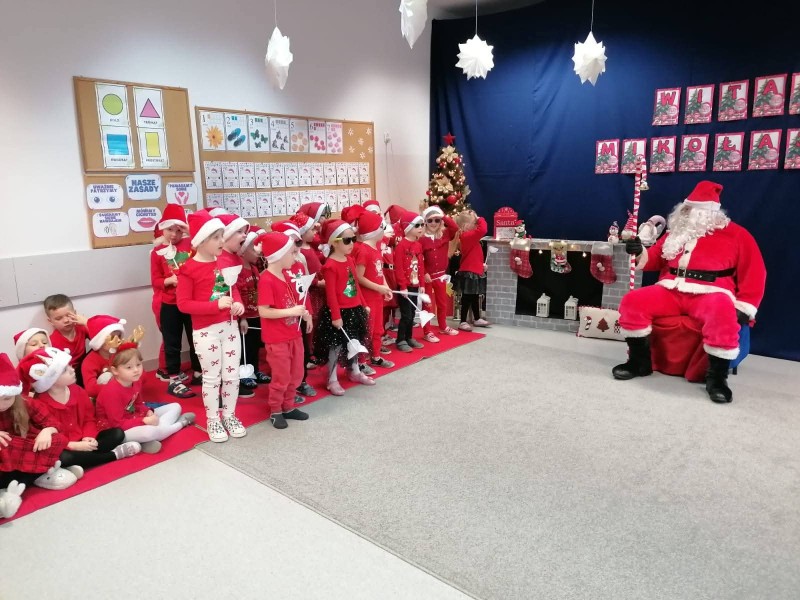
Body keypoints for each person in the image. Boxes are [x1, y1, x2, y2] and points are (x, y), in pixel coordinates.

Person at [613, 181, 766, 404]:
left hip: (712, 293)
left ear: (710, 213)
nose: (687, 214)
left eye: (694, 210)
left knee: (723, 313)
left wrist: (745, 306)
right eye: (686, 209)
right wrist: (639, 252)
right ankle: (639, 363)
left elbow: (754, 272)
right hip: (671, 289)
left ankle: (717, 379)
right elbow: (654, 258)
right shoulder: (675, 234)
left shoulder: (737, 235)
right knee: (633, 301)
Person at [176, 209, 247, 442]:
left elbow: (232, 289)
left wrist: (238, 304)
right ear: (202, 241)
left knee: (232, 375)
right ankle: (213, 419)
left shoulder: (224, 263)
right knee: (212, 378)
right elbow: (184, 304)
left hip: (230, 328)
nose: (221, 242)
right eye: (216, 237)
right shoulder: (188, 269)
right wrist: (215, 306)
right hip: (206, 332)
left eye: (221, 237)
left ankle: (230, 415)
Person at [20, 347, 141, 469]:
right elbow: (49, 435)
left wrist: (89, 436)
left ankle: (85, 460)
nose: (72, 370)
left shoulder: (78, 391)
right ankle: (111, 455)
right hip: (66, 446)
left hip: (85, 439)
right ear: (50, 380)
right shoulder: (40, 403)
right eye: (64, 370)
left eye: (70, 365)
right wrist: (73, 445)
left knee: (117, 434)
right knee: (63, 457)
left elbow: (89, 419)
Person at [0, 352, 77, 515]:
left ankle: (34, 476)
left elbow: (55, 424)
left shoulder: (26, 403)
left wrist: (47, 431)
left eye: (7, 398)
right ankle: (42, 472)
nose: (2, 404)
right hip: (6, 458)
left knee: (59, 445)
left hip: (27, 451)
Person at [256, 232, 312, 429]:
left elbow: (295, 300)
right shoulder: (267, 279)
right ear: (279, 255)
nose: (295, 258)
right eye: (291, 253)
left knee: (296, 374)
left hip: (293, 334)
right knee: (281, 376)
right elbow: (264, 311)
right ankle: (276, 410)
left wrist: (303, 312)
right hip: (277, 338)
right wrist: (291, 311)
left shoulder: (287, 275)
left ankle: (288, 406)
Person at [95, 343, 194, 453]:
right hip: (116, 429)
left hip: (133, 416)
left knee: (176, 406)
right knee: (150, 432)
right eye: (129, 367)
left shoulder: (135, 381)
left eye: (138, 365)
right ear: (115, 371)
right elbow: (117, 423)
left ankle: (153, 436)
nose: (136, 370)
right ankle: (180, 424)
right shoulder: (111, 392)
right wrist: (144, 421)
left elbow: (138, 404)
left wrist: (147, 412)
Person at [315, 219, 374, 395]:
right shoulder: (330, 266)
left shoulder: (350, 260)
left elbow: (355, 285)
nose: (352, 244)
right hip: (339, 312)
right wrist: (335, 316)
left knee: (354, 342)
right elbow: (331, 294)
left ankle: (354, 370)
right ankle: (332, 378)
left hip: (355, 309)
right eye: (347, 240)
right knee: (336, 346)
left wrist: (363, 304)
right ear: (334, 242)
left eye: (353, 239)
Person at [150, 204, 201, 399]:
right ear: (162, 228)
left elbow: (203, 245)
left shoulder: (190, 245)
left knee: (196, 338)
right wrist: (168, 281)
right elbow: (155, 280)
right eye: (170, 229)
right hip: (170, 304)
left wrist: (189, 229)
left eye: (178, 230)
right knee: (172, 342)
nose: (174, 234)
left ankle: (198, 372)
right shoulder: (157, 252)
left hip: (191, 302)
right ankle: (174, 378)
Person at [272, 217, 318, 397]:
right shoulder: (276, 268)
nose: (296, 246)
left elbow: (304, 290)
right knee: (284, 358)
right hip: (284, 319)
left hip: (300, 314)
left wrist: (308, 313)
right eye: (291, 243)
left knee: (302, 351)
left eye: (298, 241)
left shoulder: (300, 262)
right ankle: (285, 389)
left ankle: (301, 382)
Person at [217, 212, 255, 401]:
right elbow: (224, 290)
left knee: (232, 355)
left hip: (233, 316)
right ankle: (222, 392)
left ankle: (231, 387)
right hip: (221, 318)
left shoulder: (234, 257)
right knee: (222, 357)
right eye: (239, 232)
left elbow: (236, 289)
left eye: (244, 231)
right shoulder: (221, 260)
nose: (244, 235)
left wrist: (241, 315)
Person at [352, 209, 395, 370]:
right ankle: (361, 362)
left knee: (378, 329)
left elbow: (379, 272)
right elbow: (359, 277)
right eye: (382, 228)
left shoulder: (376, 248)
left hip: (377, 296)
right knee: (366, 330)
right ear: (374, 231)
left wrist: (386, 287)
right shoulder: (363, 250)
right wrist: (379, 287)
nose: (384, 231)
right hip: (367, 298)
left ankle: (375, 356)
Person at [420, 205, 461, 338]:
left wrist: (442, 216)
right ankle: (427, 331)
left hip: (441, 276)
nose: (433, 223)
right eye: (430, 220)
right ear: (425, 221)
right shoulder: (421, 238)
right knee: (427, 304)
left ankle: (443, 326)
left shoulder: (445, 234)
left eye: (437, 220)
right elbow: (419, 258)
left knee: (442, 303)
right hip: (428, 277)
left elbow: (455, 227)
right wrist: (424, 272)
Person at [390, 207, 427, 353]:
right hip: (405, 287)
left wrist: (422, 284)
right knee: (406, 314)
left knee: (412, 314)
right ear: (408, 227)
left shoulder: (418, 245)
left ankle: (409, 337)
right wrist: (403, 286)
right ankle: (400, 340)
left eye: (422, 225)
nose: (420, 228)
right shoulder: (401, 246)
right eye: (417, 225)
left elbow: (421, 266)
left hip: (415, 285)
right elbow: (398, 268)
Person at [235, 227, 266, 391]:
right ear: (243, 251)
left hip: (256, 314)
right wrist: (243, 318)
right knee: (244, 347)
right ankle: (244, 374)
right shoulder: (239, 270)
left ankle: (254, 370)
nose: (258, 252)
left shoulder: (254, 268)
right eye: (253, 249)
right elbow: (239, 294)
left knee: (254, 345)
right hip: (245, 317)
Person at [454, 209, 490, 331]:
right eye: (474, 223)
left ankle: (477, 318)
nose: (476, 224)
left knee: (474, 296)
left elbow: (475, 255)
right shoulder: (467, 236)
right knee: (467, 297)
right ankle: (463, 321)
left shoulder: (469, 237)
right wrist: (479, 218)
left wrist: (481, 266)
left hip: (474, 270)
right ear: (466, 226)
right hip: (469, 271)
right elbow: (483, 229)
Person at [44, 294, 90, 387]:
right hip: (69, 374)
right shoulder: (52, 341)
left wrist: (86, 322)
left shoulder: (81, 328)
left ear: (75, 313)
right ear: (51, 321)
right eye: (59, 318)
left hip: (86, 367)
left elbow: (100, 336)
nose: (66, 320)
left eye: (69, 315)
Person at [81, 314, 127, 400]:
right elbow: (90, 389)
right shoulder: (89, 361)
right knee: (106, 376)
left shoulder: (121, 352)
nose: (117, 341)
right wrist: (117, 386)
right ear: (100, 341)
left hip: (124, 391)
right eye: (112, 338)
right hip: (104, 396)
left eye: (119, 336)